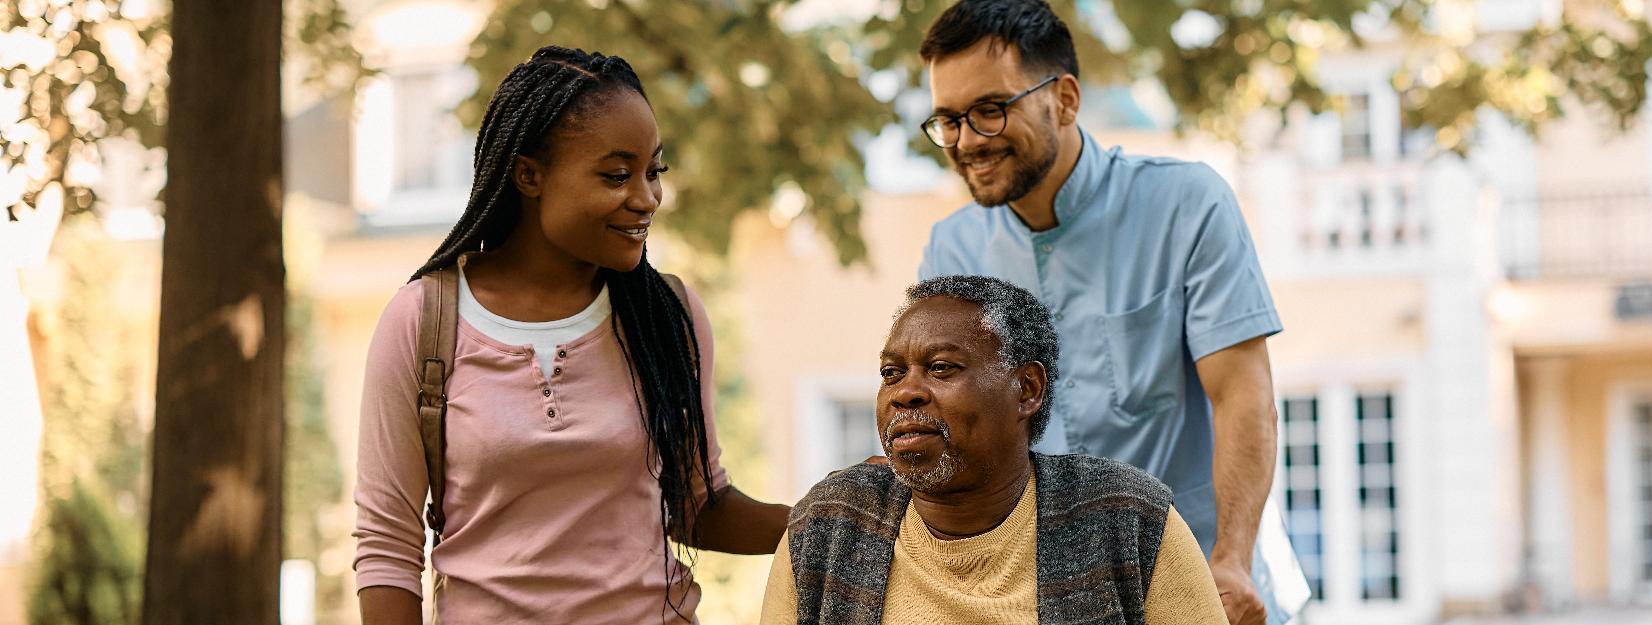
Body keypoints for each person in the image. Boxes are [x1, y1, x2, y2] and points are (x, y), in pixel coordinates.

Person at [353, 47, 789, 624]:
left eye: (653, 171)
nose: (647, 198)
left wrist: (836, 511)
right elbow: (387, 546)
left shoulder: (668, 317)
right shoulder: (422, 321)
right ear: (529, 174)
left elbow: (698, 509)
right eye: (616, 175)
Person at [911, 1, 1292, 622]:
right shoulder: (949, 252)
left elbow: (1243, 397)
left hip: (1205, 587)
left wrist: (1232, 558)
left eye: (989, 110)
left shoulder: (1187, 205)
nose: (966, 141)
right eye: (948, 119)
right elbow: (960, 443)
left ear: (1063, 99)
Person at [762, 275, 1227, 623]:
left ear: (1027, 389)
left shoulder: (1126, 519)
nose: (905, 392)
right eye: (891, 373)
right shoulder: (829, 526)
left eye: (941, 367)